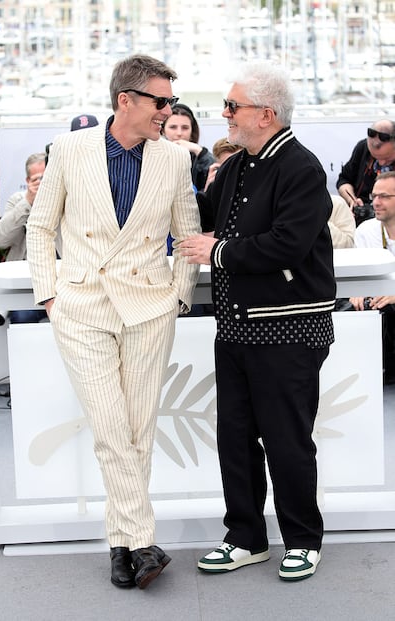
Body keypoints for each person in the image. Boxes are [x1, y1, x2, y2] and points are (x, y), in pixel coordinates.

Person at [26, 54, 201, 590]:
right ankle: (144, 538)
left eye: (171, 101)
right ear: (126, 100)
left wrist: (179, 297)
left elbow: (187, 233)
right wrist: (49, 296)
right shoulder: (70, 149)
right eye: (160, 101)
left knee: (137, 430)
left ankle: (121, 547)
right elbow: (41, 228)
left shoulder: (172, 159)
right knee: (110, 427)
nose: (168, 110)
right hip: (82, 307)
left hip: (150, 307)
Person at [180, 59, 336, 581]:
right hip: (238, 327)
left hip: (289, 328)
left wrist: (218, 252)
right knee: (236, 436)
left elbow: (288, 244)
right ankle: (245, 536)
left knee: (287, 437)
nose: (224, 114)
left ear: (265, 114)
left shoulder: (301, 167)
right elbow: (206, 216)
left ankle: (303, 540)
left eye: (232, 106)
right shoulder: (241, 164)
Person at [0, 152, 49, 323]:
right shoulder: (18, 200)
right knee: (22, 316)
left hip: (60, 284)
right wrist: (28, 202)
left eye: (45, 178)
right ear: (27, 182)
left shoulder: (67, 198)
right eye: (36, 179)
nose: (41, 183)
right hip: (25, 284)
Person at [349, 170, 395, 384]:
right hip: (379, 301)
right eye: (373, 196)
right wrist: (357, 293)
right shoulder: (365, 230)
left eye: (384, 197)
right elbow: (361, 273)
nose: (376, 202)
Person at [336, 118, 395, 226]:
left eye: (387, 158)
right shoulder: (363, 149)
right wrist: (352, 200)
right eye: (376, 158)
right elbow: (344, 179)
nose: (381, 163)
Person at [161, 102, 215, 191]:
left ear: (192, 131)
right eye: (173, 127)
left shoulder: (200, 159)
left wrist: (200, 151)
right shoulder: (154, 155)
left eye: (185, 128)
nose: (179, 133)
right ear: (163, 130)